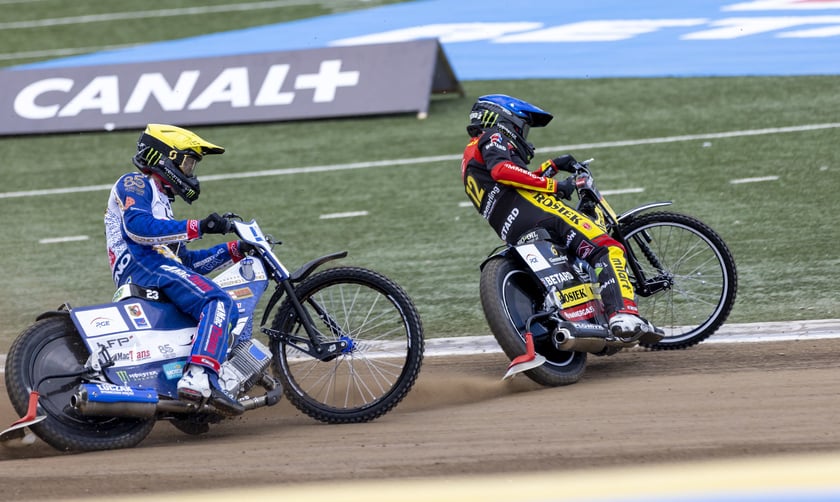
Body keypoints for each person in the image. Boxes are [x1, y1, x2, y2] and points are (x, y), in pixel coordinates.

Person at [461, 94, 654, 337]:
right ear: (505, 121)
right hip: (539, 212)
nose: (524, 136)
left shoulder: (469, 159)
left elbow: (512, 183)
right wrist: (556, 187)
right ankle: (623, 314)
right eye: (523, 127)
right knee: (606, 247)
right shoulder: (493, 136)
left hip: (512, 228)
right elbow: (502, 171)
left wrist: (550, 167)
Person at [104, 123, 254, 416]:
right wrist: (199, 227)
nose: (191, 171)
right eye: (187, 162)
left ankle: (187, 382)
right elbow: (137, 229)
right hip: (141, 265)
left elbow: (186, 264)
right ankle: (199, 377)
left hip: (157, 267)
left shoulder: (163, 203)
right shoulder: (135, 183)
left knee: (224, 308)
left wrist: (235, 250)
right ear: (164, 157)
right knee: (218, 300)